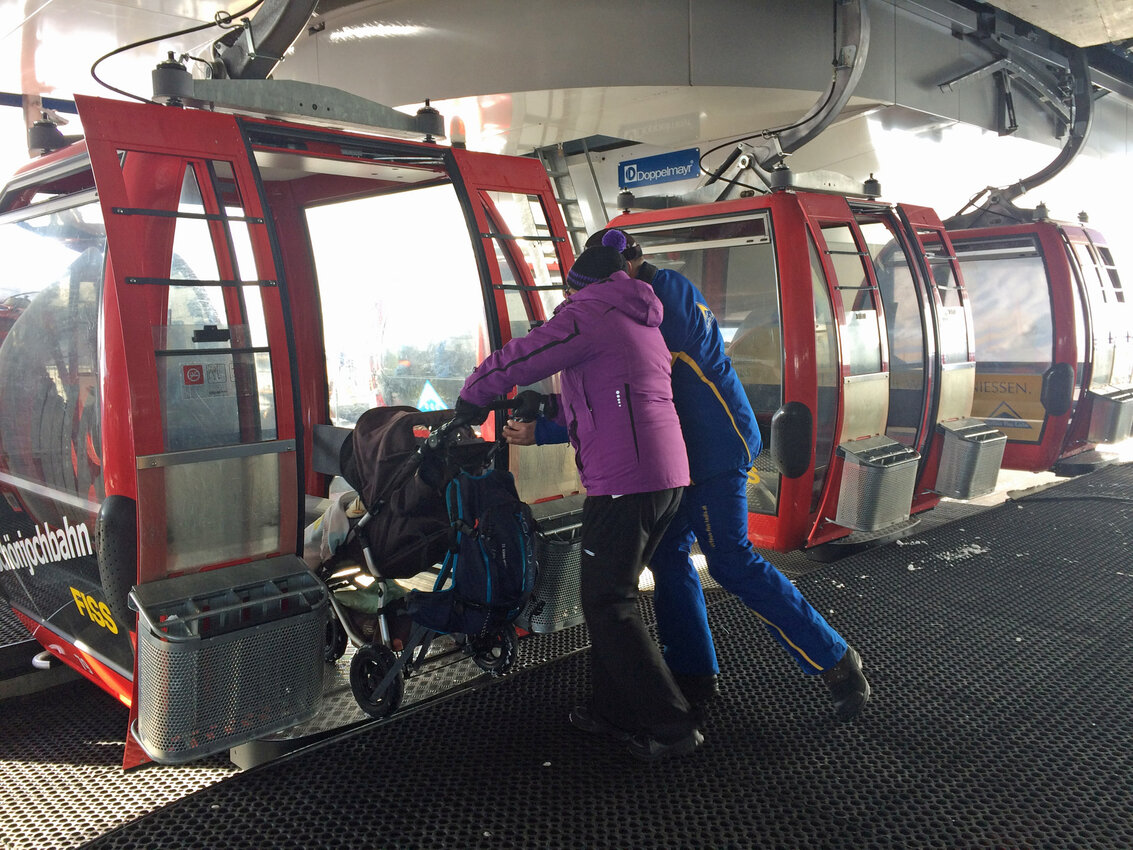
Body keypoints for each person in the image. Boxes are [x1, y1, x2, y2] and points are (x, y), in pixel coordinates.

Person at [504, 228, 870, 723]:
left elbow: (619, 385)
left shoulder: (662, 304)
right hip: (678, 459)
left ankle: (836, 660)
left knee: (731, 562)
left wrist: (548, 422)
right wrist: (548, 413)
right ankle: (693, 673)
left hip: (714, 454)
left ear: (628, 267)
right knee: (669, 557)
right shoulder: (651, 297)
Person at [456, 229, 702, 760]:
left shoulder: (591, 312)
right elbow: (611, 396)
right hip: (664, 478)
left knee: (609, 603)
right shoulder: (639, 317)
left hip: (626, 483)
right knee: (610, 599)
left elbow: (524, 356)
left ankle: (671, 726)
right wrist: (548, 411)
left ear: (577, 286)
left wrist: (473, 395)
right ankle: (613, 711)